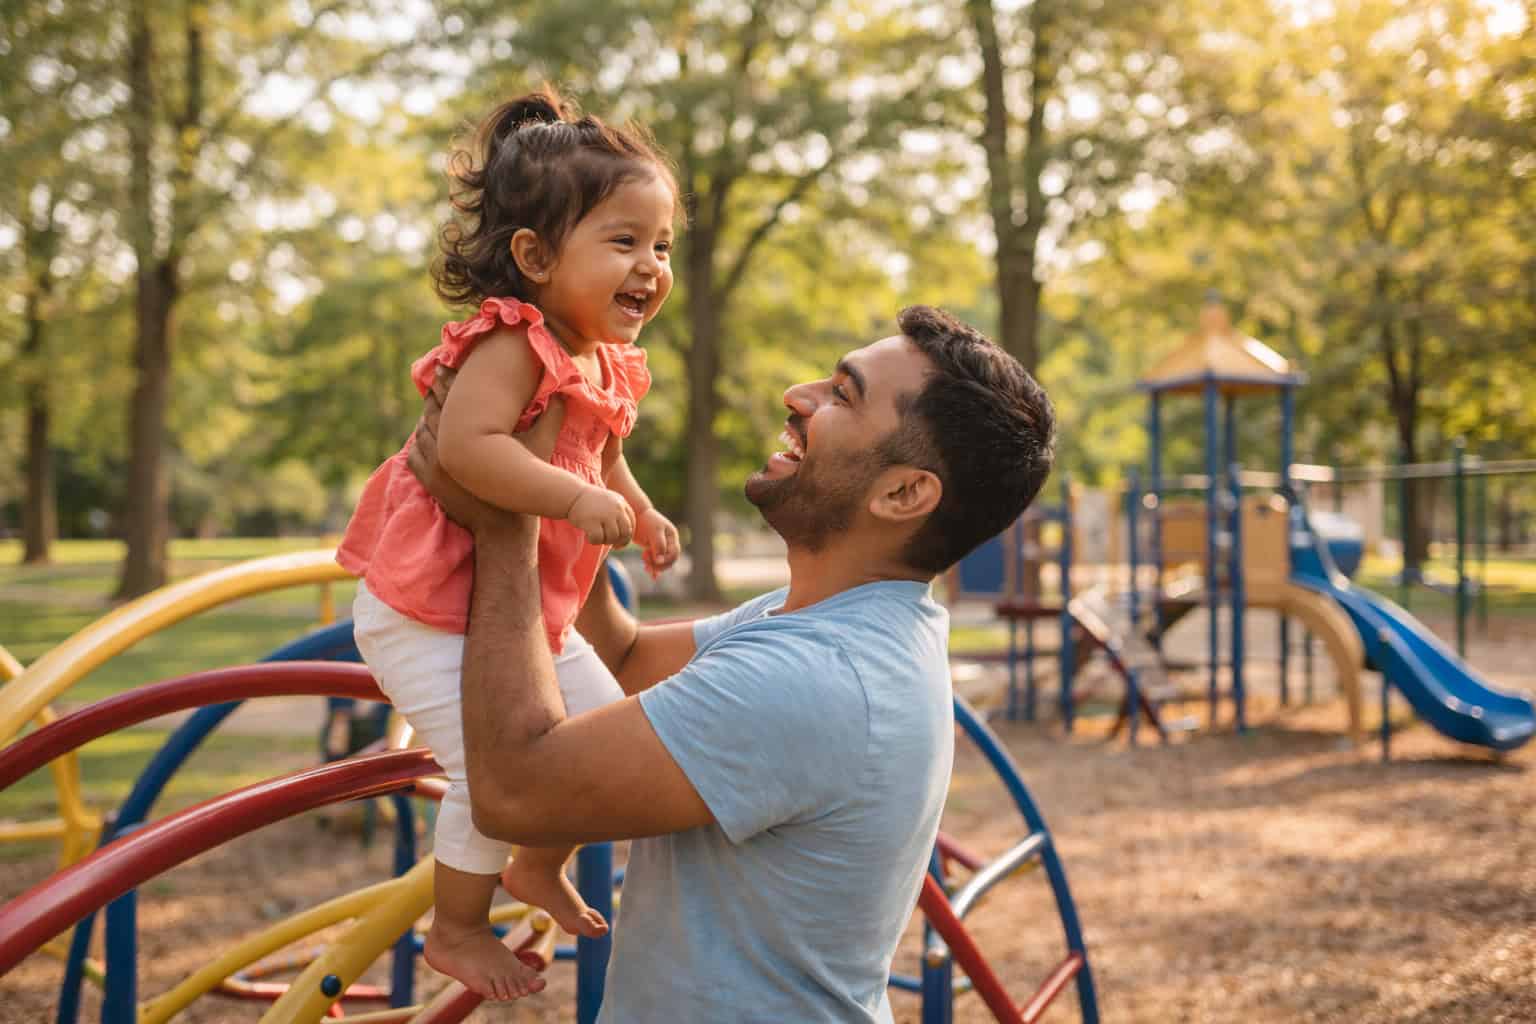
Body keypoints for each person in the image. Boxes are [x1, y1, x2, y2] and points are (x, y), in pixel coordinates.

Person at [408, 304, 1057, 1019]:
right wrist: (562, 475)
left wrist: (504, 517)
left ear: (903, 493)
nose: (798, 396)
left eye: (843, 394)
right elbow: (621, 659)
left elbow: (512, 793)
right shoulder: (825, 622)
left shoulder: (818, 676)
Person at [336, 87, 683, 1000]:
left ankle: (534, 866)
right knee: (494, 773)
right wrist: (572, 499)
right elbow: (469, 448)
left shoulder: (604, 360)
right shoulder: (513, 343)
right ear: (533, 257)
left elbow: (603, 457)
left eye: (661, 246)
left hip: (532, 617)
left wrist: (637, 511)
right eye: (623, 242)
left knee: (600, 738)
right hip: (427, 607)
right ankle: (455, 927)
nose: (650, 265)